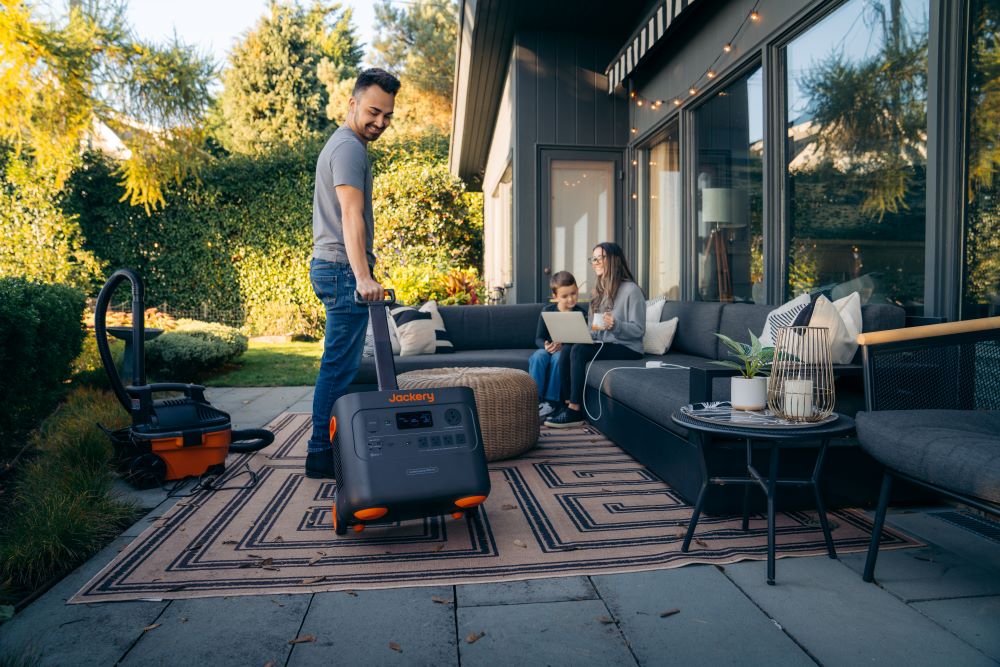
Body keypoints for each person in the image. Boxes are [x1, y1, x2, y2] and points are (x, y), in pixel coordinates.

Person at [306, 68, 400, 478]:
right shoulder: (349, 148)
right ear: (352, 104)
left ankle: (327, 448)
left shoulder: (345, 145)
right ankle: (321, 454)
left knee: (338, 364)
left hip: (336, 267)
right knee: (338, 367)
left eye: (387, 116)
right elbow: (350, 214)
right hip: (344, 270)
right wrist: (363, 277)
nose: (379, 123)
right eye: (373, 112)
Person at [544, 242, 645, 428]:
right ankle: (566, 404)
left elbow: (638, 331)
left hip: (628, 348)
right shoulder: (599, 291)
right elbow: (595, 328)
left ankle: (575, 410)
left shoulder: (632, 290)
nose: (595, 262)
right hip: (604, 344)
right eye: (593, 258)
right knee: (568, 348)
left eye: (600, 257)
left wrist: (616, 325)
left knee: (580, 350)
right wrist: (575, 335)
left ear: (613, 260)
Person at [531, 271, 587, 418]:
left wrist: (564, 346)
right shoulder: (547, 311)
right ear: (555, 296)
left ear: (577, 290)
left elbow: (582, 340)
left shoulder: (581, 313)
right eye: (564, 296)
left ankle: (551, 403)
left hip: (564, 352)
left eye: (573, 293)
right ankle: (533, 401)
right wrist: (545, 345)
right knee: (538, 356)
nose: (570, 299)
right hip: (547, 349)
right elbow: (538, 338)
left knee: (559, 358)